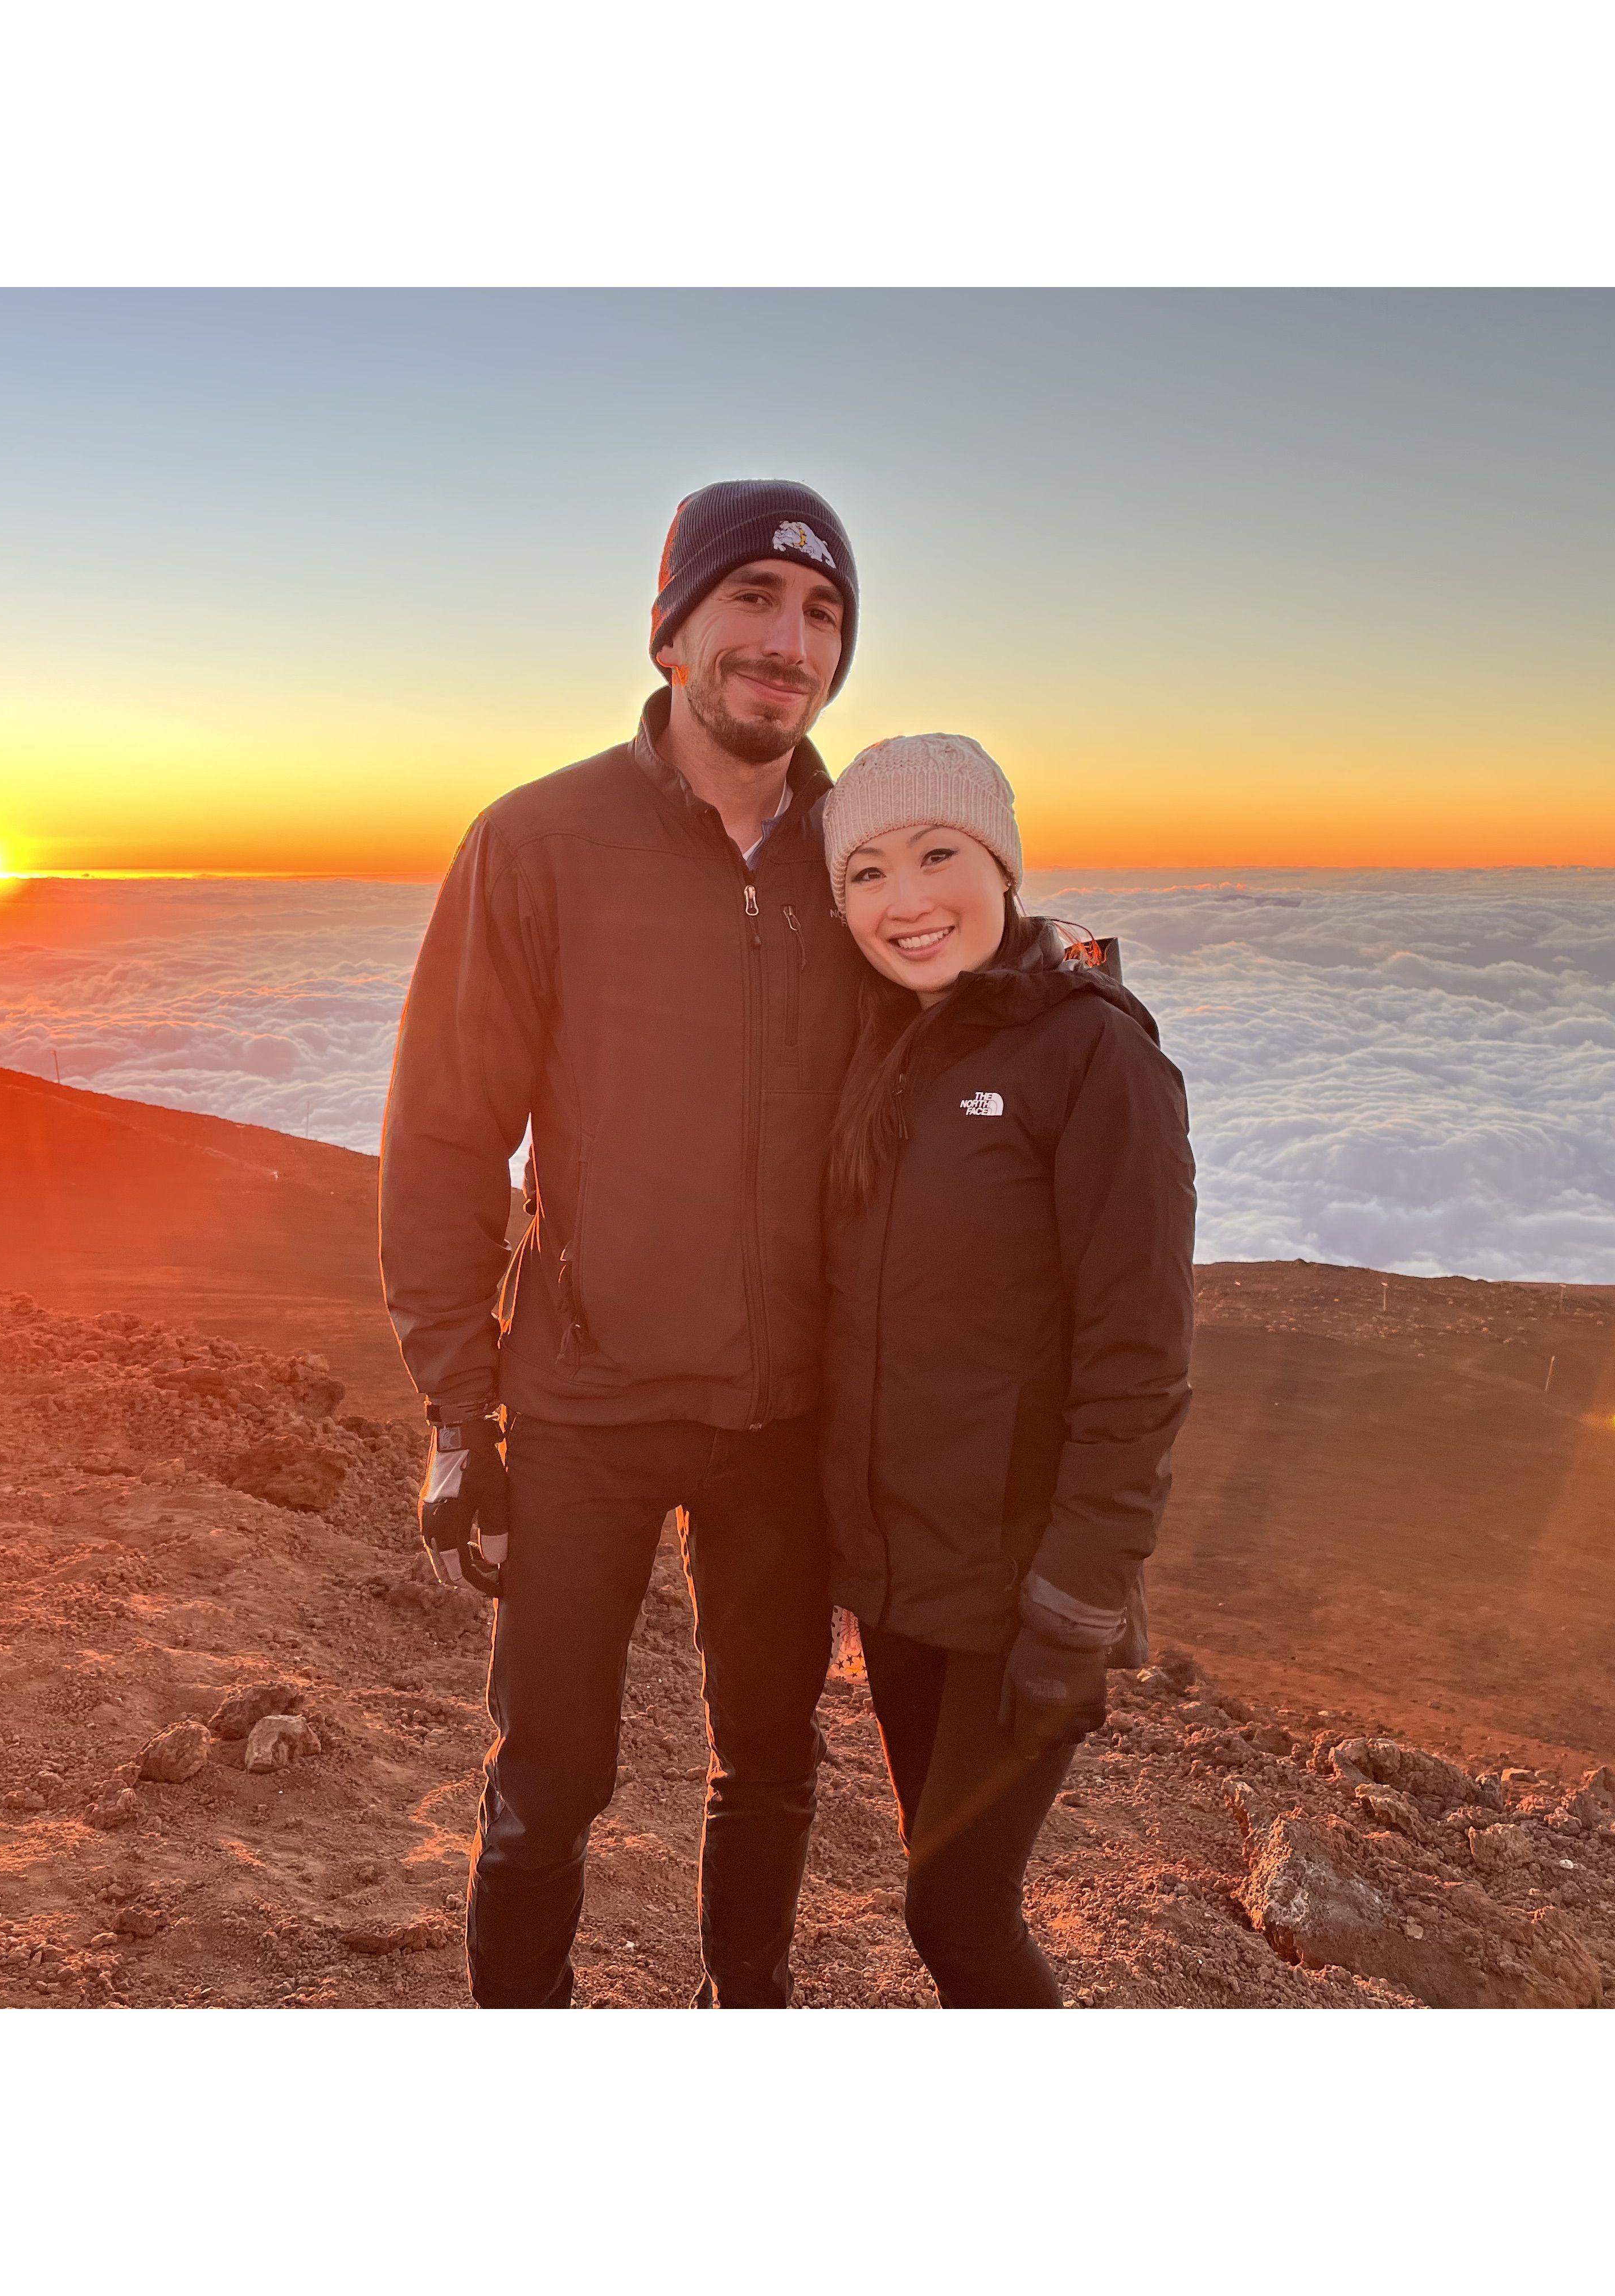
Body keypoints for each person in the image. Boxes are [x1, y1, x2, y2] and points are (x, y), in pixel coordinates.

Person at [379, 480, 868, 2007]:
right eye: (754, 601)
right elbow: (449, 1138)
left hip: (789, 1412)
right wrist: (465, 1418)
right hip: (585, 1404)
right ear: (672, 632)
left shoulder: (865, 858)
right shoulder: (539, 843)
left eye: (823, 615)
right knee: (550, 1779)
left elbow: (969, 1036)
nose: (787, 643)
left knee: (773, 1760)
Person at [817, 732, 1196, 2007]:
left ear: (1004, 867)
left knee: (956, 1911)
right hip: (905, 1579)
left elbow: (1137, 1357)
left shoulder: (1096, 1056)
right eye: (865, 872)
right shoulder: (895, 1045)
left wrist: (1083, 1604)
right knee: (947, 1897)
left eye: (938, 854)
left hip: (1024, 1587)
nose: (905, 899)